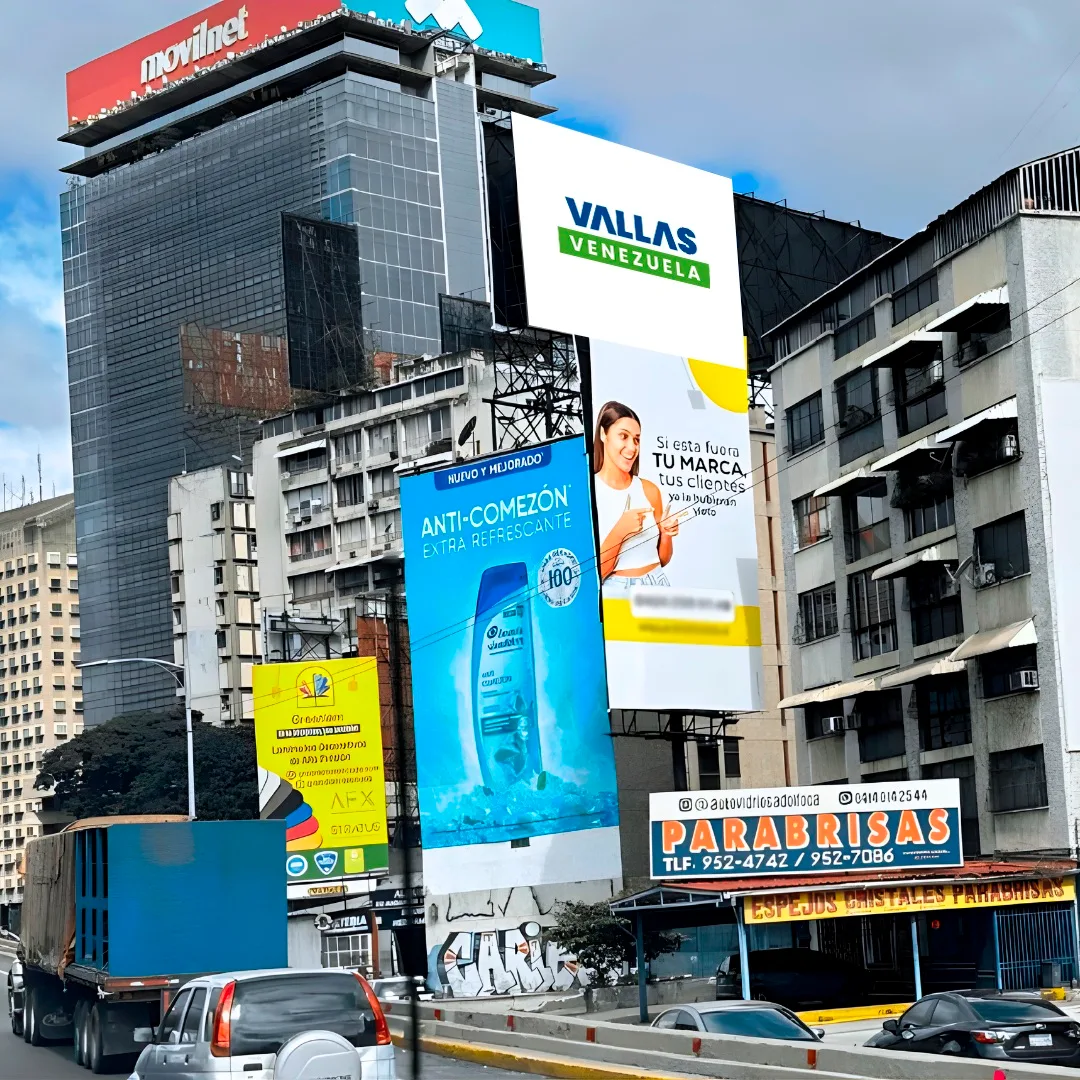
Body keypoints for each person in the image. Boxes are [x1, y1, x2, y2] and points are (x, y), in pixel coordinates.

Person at [592, 400, 678, 588]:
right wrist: (620, 531)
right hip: (615, 589)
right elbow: (593, 575)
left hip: (657, 582)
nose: (632, 448)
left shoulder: (649, 490)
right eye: (623, 436)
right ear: (603, 434)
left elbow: (662, 559)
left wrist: (666, 534)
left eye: (636, 439)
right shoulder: (589, 492)